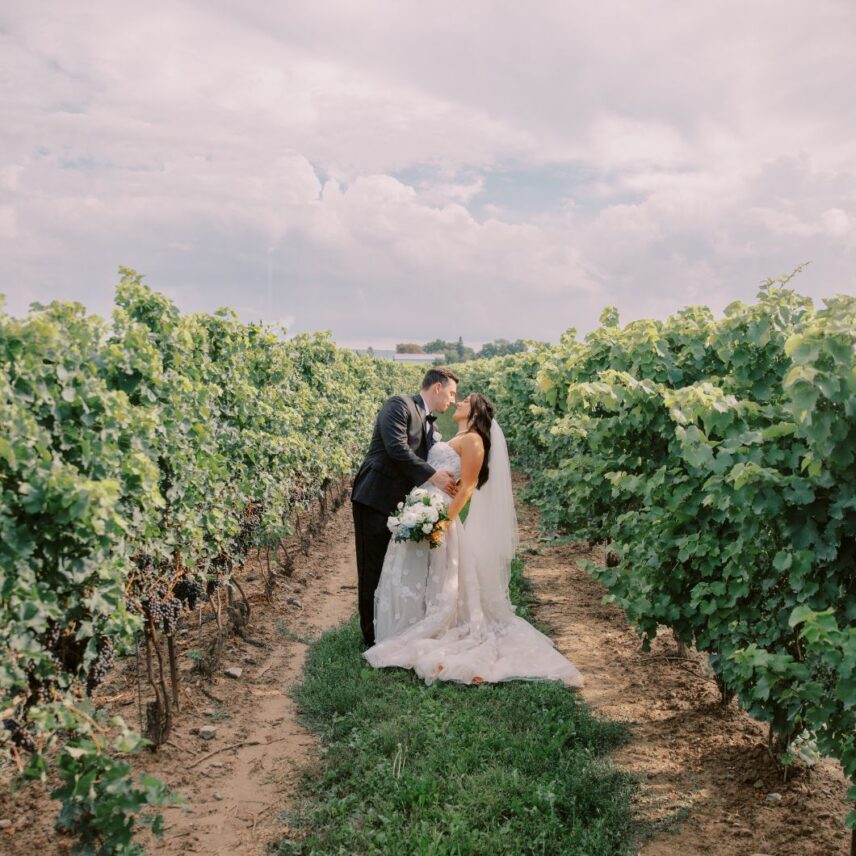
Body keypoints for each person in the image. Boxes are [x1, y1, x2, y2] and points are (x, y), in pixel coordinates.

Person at [364, 393, 584, 688]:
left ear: (476, 412)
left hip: (441, 514)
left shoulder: (474, 441)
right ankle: (410, 623)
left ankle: (430, 628)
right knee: (420, 574)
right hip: (427, 505)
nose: (458, 403)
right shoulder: (460, 435)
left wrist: (441, 522)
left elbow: (466, 487)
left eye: (464, 401)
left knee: (441, 578)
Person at [351, 367, 460, 647]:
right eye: (450, 393)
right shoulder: (399, 405)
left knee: (391, 568)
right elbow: (396, 449)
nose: (452, 399)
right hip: (375, 497)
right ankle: (370, 637)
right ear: (436, 388)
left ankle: (388, 628)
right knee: (371, 567)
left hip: (400, 506)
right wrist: (432, 475)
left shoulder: (430, 423)